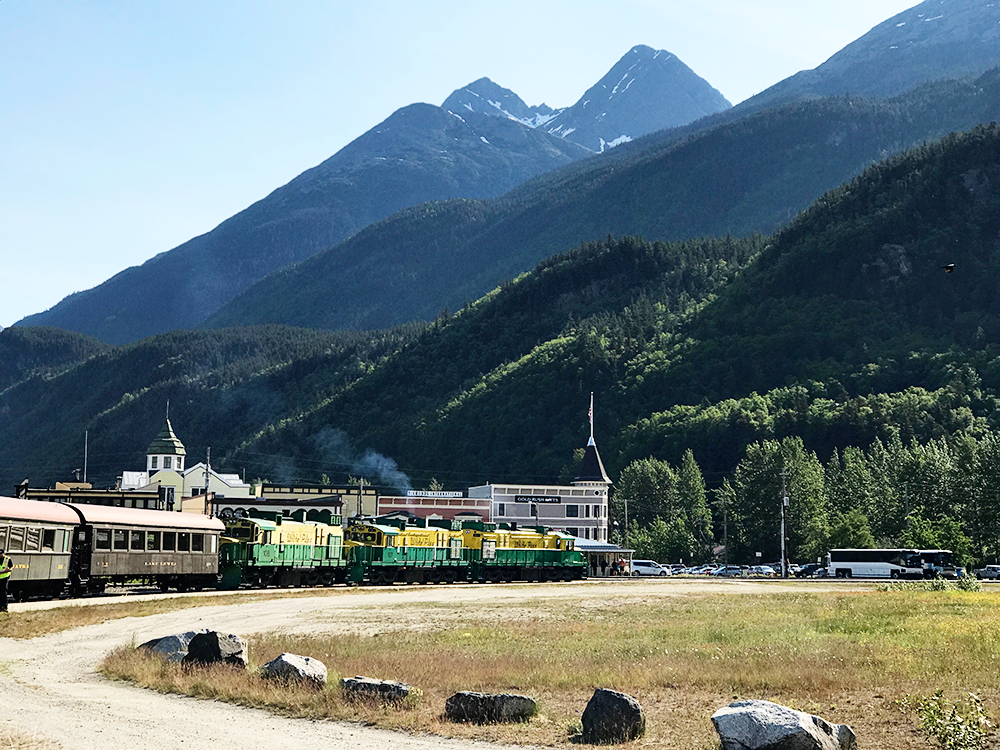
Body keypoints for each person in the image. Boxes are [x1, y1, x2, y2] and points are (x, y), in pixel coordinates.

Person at [0, 548, 12, 612]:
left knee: (3, 593)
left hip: (4, 578)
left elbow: (11, 567)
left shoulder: (7, 559)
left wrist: (8, 570)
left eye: (1, 554)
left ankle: (4, 607)